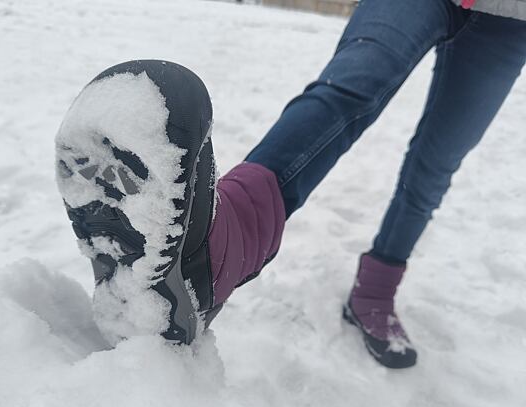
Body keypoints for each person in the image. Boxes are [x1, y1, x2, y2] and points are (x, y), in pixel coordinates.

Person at [55, 0, 526, 369]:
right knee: (348, 90)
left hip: (511, 18)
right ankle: (217, 254)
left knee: (437, 162)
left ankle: (375, 293)